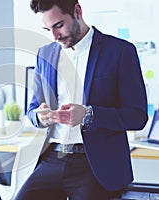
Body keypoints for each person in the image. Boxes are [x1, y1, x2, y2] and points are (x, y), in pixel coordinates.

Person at [16, 0, 148, 199]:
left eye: (59, 25)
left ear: (77, 11)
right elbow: (32, 109)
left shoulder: (120, 51)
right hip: (52, 157)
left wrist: (88, 114)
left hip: (95, 164)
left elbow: (137, 117)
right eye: (48, 29)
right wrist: (40, 116)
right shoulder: (45, 54)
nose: (54, 36)